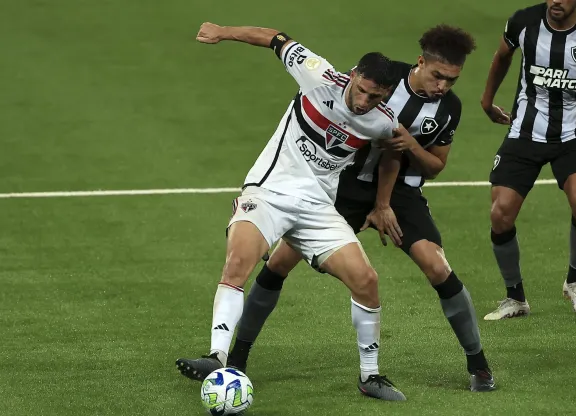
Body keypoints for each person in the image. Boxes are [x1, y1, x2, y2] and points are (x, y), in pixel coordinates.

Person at [226, 25, 496, 393]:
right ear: (421, 62)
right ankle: (236, 360)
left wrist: (409, 152)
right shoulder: (382, 77)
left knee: (437, 266)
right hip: (345, 185)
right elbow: (340, 103)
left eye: (452, 80)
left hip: (401, 192)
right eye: (438, 76)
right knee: (278, 263)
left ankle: (478, 365)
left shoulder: (450, 109)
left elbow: (434, 167)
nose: (443, 87)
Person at [175, 22, 408, 401]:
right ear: (353, 76)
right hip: (269, 192)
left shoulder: (383, 121)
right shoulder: (317, 73)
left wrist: (382, 203)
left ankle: (370, 377)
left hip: (317, 208)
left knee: (366, 280)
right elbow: (274, 38)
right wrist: (222, 31)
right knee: (238, 260)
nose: (363, 101)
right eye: (361, 90)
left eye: (374, 96)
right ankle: (217, 356)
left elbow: (390, 156)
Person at [480, 0, 576, 320]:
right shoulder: (523, 22)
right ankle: (515, 298)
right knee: (500, 213)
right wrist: (487, 100)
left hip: (573, 135)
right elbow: (502, 56)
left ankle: (574, 281)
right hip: (525, 131)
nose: (555, 1)